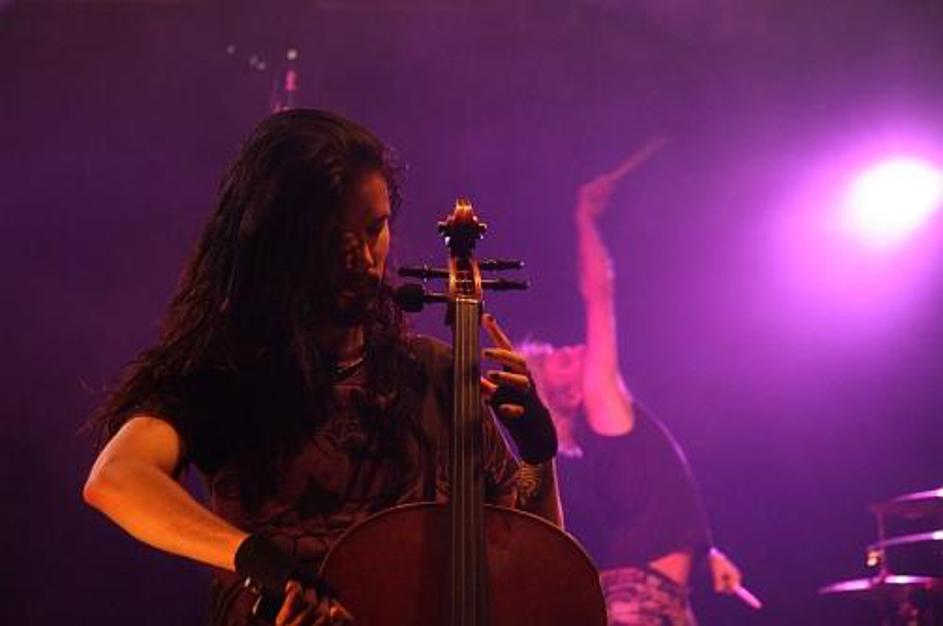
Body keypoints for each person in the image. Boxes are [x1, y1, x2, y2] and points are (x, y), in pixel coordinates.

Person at [83, 109, 560, 626]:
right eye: (334, 240)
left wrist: (538, 452)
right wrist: (254, 559)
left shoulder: (433, 374)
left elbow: (533, 572)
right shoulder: (229, 377)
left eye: (375, 228)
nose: (364, 259)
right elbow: (116, 477)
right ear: (279, 245)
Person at [520, 139, 745, 626]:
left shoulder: (613, 431)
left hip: (656, 593)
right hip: (638, 596)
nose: (573, 348)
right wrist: (584, 219)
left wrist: (706, 552)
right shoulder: (601, 407)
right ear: (570, 395)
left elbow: (658, 502)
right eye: (562, 362)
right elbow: (599, 294)